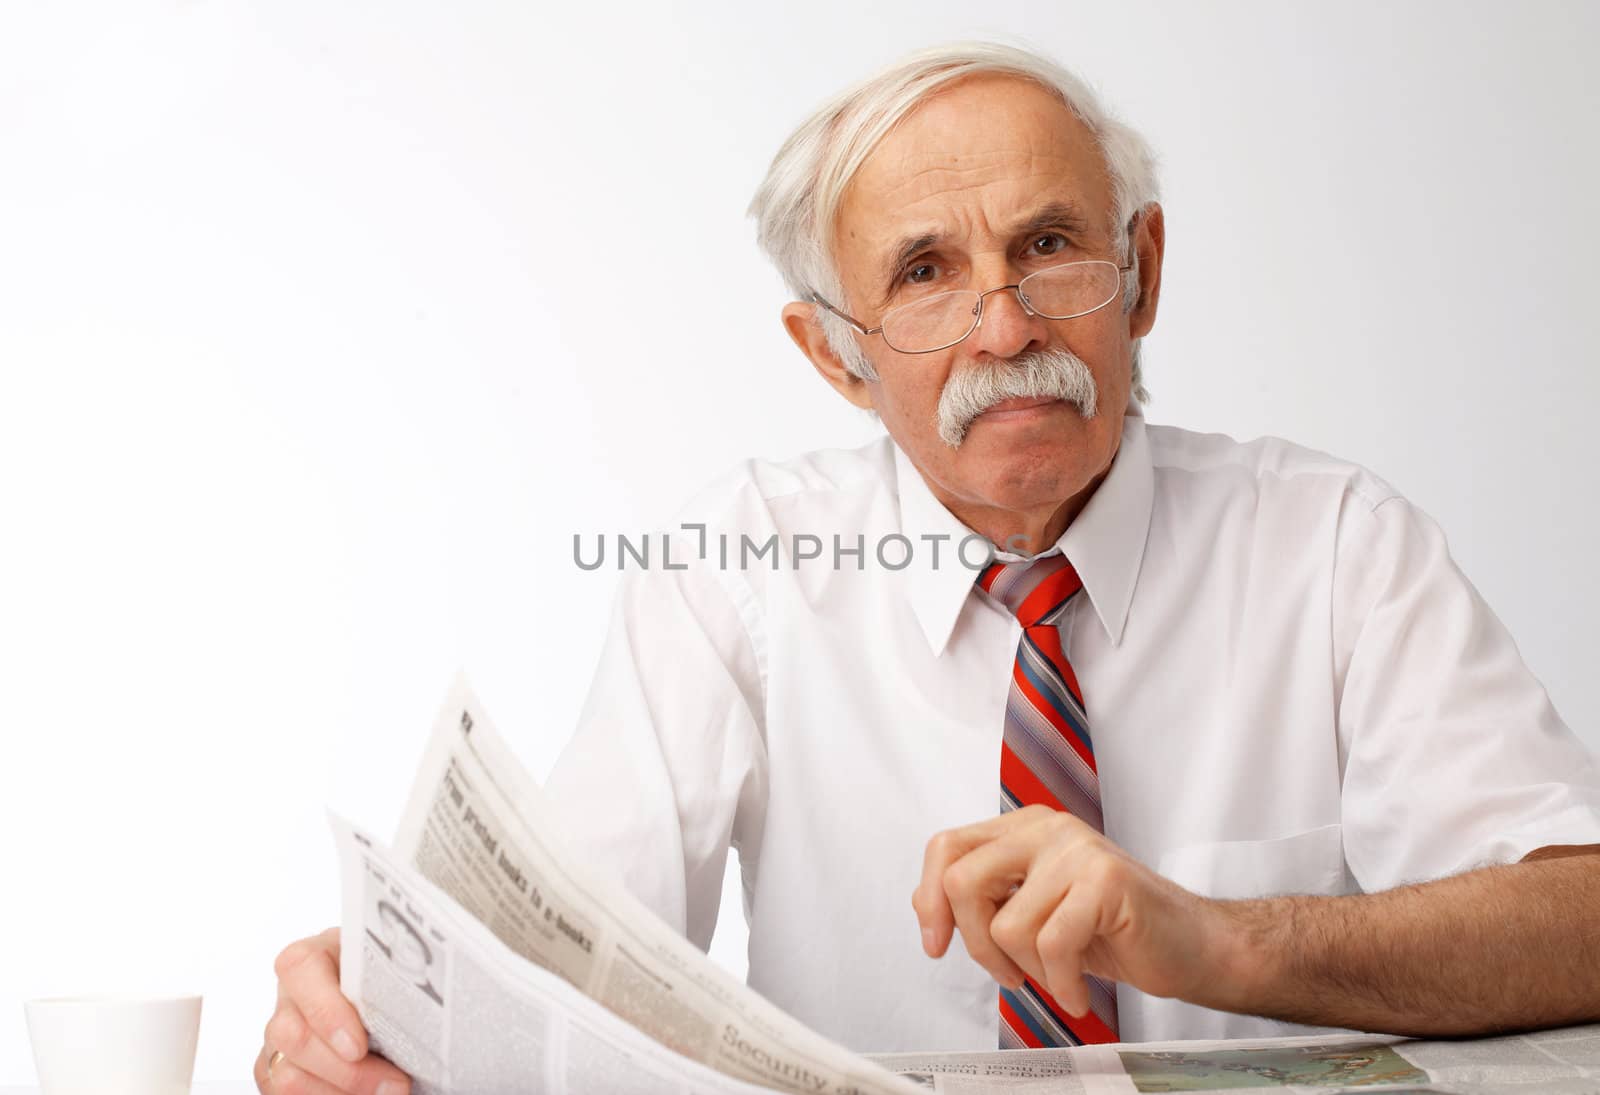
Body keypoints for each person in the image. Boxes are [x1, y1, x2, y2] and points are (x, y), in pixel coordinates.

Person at [254, 41, 1600, 1094]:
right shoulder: (741, 568)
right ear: (834, 354)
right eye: (925, 273)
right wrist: (381, 996)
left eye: (1051, 245)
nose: (1006, 325)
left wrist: (1214, 940)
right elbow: (568, 948)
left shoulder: (1336, 545)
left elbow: (1582, 918)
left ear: (1141, 272)